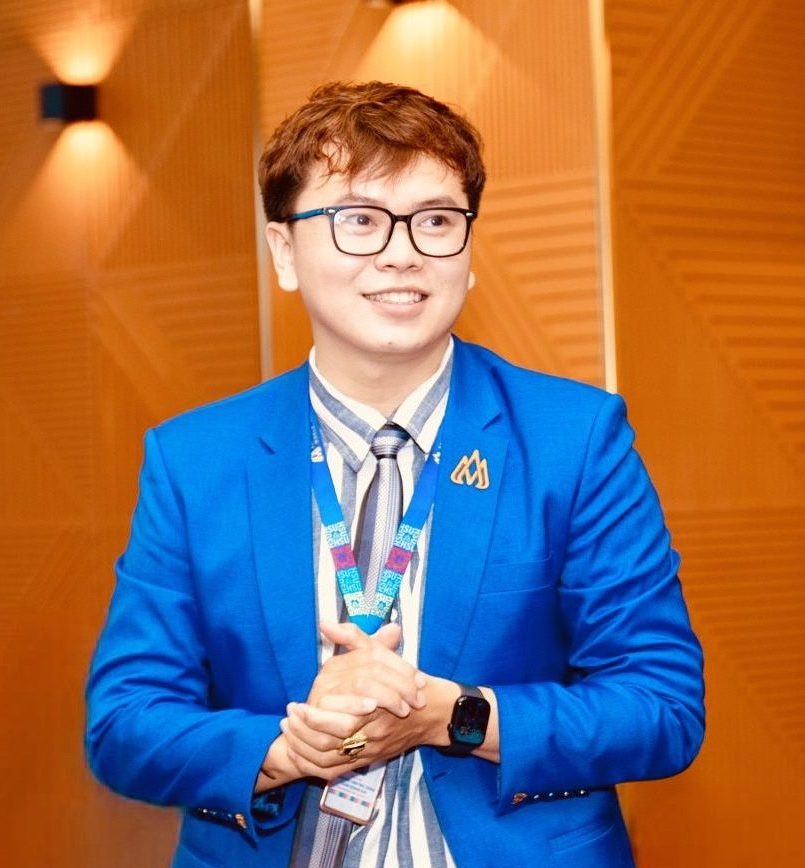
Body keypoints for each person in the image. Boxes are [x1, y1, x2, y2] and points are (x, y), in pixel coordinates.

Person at [86, 81, 704, 868]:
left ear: (468, 253)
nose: (401, 251)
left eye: (436, 220)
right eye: (359, 220)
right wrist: (286, 749)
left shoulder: (572, 439)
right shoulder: (195, 459)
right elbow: (125, 724)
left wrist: (455, 716)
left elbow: (659, 707)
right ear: (283, 252)